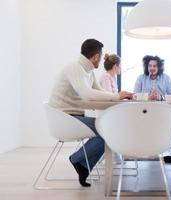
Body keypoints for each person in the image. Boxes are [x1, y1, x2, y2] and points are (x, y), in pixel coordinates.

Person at [48, 39, 132, 187]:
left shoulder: (88, 71)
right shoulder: (75, 68)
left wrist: (119, 97)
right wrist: (117, 96)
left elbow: (100, 92)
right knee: (107, 130)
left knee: (108, 129)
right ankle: (77, 159)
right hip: (64, 118)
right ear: (95, 56)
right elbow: (86, 93)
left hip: (74, 117)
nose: (101, 59)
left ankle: (83, 166)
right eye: (100, 56)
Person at [99, 53, 122, 163]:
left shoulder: (111, 77)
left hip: (110, 112)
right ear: (116, 66)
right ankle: (113, 154)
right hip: (106, 114)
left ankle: (117, 154)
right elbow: (109, 97)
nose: (121, 68)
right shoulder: (106, 77)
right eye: (120, 65)